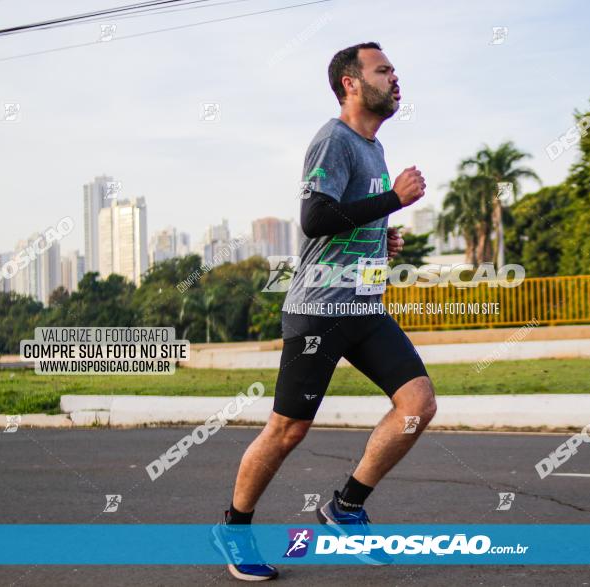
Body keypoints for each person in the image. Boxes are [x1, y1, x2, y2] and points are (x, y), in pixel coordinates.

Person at [212, 41, 437, 581]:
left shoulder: (373, 149)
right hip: (319, 309)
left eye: (394, 69)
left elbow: (347, 220)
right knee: (288, 430)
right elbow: (315, 218)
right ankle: (234, 528)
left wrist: (382, 240)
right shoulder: (332, 140)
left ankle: (345, 506)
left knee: (418, 404)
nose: (394, 77)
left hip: (363, 307)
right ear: (352, 84)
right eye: (383, 70)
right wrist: (393, 201)